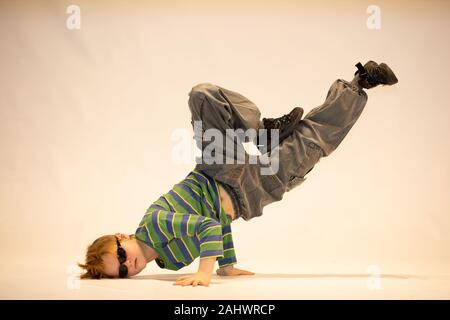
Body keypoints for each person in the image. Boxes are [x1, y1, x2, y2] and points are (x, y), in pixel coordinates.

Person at [78, 61, 398, 286]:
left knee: (203, 95)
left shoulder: (154, 224)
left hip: (219, 171)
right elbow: (218, 222)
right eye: (120, 271)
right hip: (249, 194)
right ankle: (360, 84)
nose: (126, 264)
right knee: (312, 145)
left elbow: (205, 226)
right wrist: (227, 266)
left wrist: (205, 273)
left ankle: (260, 133)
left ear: (121, 237)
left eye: (119, 255)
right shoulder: (167, 261)